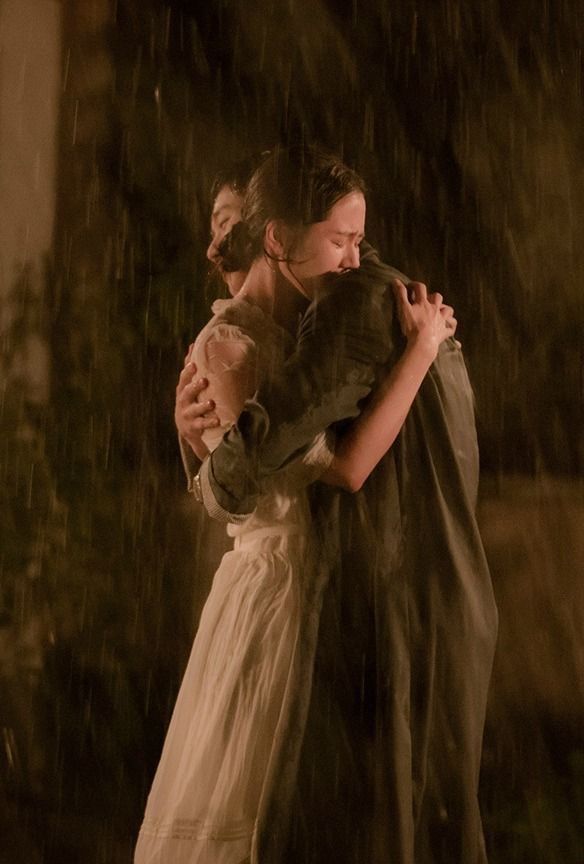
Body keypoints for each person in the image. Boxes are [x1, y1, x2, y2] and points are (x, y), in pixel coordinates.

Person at [136, 146, 456, 864]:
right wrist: (422, 350)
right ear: (278, 241)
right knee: (257, 804)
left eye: (357, 243)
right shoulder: (229, 347)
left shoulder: (300, 334)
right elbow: (343, 468)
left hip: (320, 577)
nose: (351, 262)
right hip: (275, 591)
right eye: (339, 241)